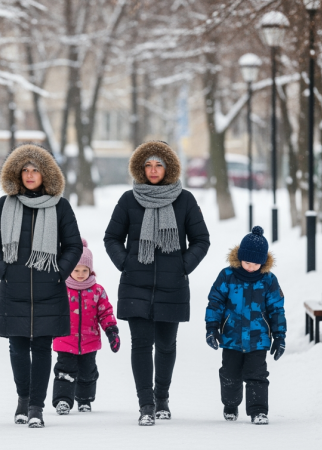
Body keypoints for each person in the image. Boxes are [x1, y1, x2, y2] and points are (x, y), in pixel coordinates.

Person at [103, 141, 210, 426]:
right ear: (140, 167)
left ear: (169, 167)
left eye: (158, 164)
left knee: (165, 345)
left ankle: (162, 399)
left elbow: (201, 239)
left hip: (171, 286)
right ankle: (146, 405)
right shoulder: (129, 199)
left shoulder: (184, 200)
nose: (153, 170)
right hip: (135, 285)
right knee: (140, 345)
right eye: (148, 165)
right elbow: (111, 238)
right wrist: (126, 263)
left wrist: (182, 267)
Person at [0, 143, 83, 428]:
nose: (29, 175)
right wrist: (4, 271)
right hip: (13, 289)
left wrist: (57, 273)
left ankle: (36, 406)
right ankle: (23, 400)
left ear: (45, 173)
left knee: (41, 348)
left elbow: (73, 245)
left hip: (48, 289)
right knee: (17, 348)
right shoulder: (5, 205)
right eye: (24, 170)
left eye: (34, 170)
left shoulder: (60, 206)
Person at [205, 226, 287, 425]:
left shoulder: (268, 281)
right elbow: (215, 302)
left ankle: (258, 410)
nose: (251, 267)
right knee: (230, 374)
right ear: (239, 257)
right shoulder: (227, 276)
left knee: (257, 375)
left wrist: (280, 336)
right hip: (232, 337)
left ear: (263, 262)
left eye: (256, 264)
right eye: (247, 262)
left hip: (258, 339)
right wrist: (212, 327)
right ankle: (231, 404)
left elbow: (277, 309)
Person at [51, 238, 120, 415]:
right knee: (64, 371)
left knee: (88, 373)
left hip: (89, 341)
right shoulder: (61, 289)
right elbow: (52, 312)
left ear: (90, 270)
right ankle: (63, 401)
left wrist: (111, 331)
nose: (80, 274)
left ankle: (84, 400)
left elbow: (105, 313)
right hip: (65, 339)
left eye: (85, 270)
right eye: (76, 270)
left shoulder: (97, 291)